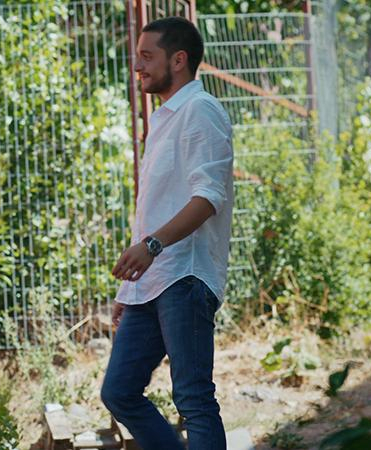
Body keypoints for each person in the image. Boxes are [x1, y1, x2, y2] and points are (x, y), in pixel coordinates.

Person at [100, 17, 233, 450]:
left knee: (193, 398)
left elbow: (208, 197)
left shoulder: (200, 111)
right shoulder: (164, 118)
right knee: (119, 391)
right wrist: (130, 289)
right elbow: (158, 206)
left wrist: (152, 246)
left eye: (146, 56)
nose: (136, 65)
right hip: (151, 281)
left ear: (178, 60)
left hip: (185, 276)